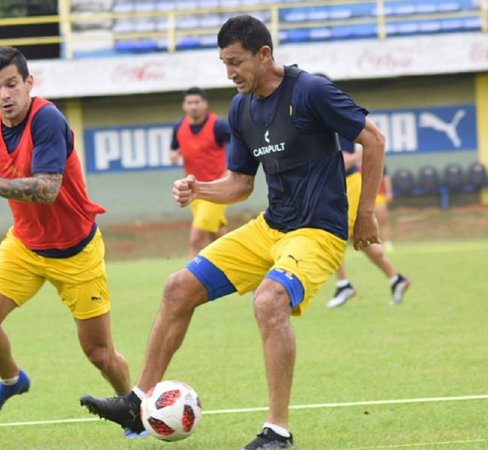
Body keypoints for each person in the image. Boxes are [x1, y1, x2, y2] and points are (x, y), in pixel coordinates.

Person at [79, 15, 386, 450]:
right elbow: (240, 183)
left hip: (317, 231)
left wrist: (366, 212)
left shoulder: (310, 91)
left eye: (236, 62)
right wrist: (199, 188)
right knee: (177, 286)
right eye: (224, 63)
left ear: (264, 55)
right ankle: (138, 401)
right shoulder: (241, 107)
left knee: (269, 300)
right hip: (270, 226)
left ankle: (277, 432)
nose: (229, 73)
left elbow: (373, 139)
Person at [0, 46, 133, 428]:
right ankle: (11, 380)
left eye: (12, 85)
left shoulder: (46, 119)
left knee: (100, 354)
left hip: (76, 252)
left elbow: (47, 189)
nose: (4, 95)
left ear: (29, 82)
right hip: (24, 245)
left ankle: (132, 409)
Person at [326, 136, 410, 309]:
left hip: (347, 184)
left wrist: (359, 155)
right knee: (361, 240)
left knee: (331, 233)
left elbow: (346, 159)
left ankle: (343, 285)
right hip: (335, 184)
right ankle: (396, 279)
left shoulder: (332, 116)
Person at [169, 86, 232, 257]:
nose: (193, 106)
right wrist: (174, 155)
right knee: (217, 237)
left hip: (216, 189)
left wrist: (231, 169)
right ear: (184, 106)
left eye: (197, 102)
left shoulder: (218, 126)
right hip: (194, 191)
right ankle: (236, 267)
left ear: (205, 104)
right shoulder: (179, 127)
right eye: (190, 103)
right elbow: (173, 150)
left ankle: (189, 282)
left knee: (196, 239)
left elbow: (239, 143)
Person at [376, 169, 394, 251]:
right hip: (360, 194)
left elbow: (386, 177)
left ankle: (387, 242)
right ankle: (374, 242)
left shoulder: (376, 159)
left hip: (379, 194)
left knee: (383, 219)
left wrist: (389, 192)